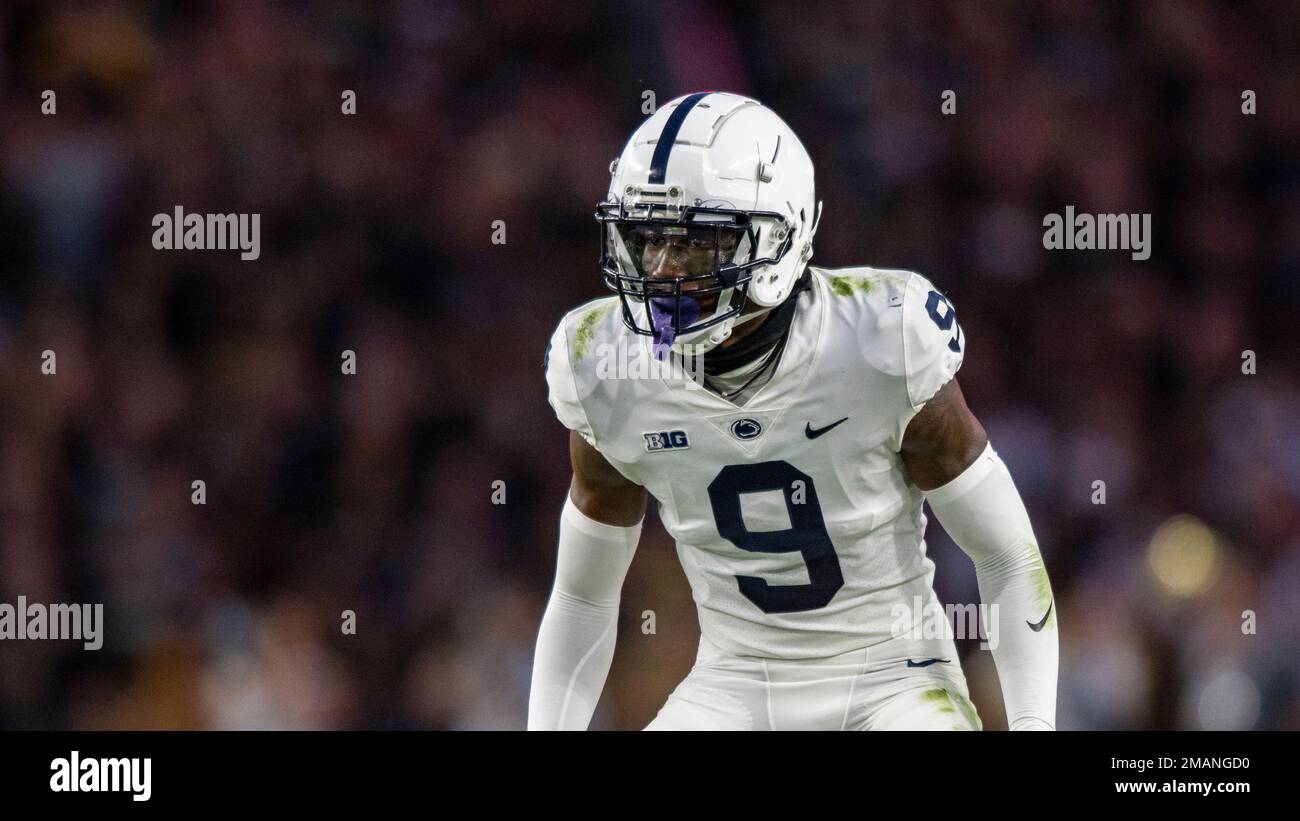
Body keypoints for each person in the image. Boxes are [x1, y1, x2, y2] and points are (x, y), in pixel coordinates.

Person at [529, 92, 1057, 730]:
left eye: (697, 244)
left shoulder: (879, 339)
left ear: (779, 239)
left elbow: (1005, 555)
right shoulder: (603, 363)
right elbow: (583, 595)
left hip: (892, 677)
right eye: (648, 239)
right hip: (733, 682)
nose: (664, 271)